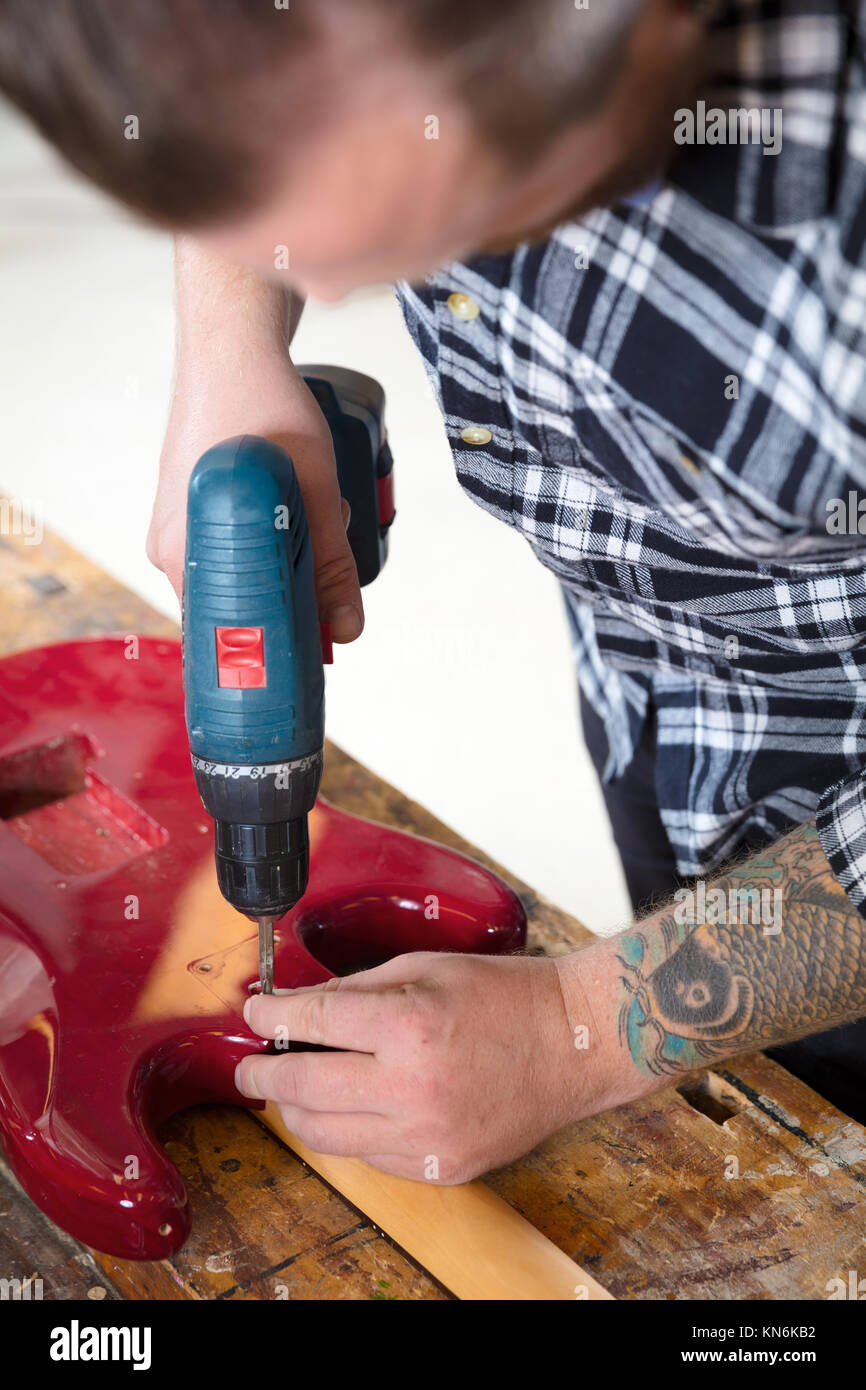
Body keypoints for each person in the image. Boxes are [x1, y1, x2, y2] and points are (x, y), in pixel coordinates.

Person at [2, 0, 866, 1184]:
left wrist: (583, 1027)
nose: (337, 287)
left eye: (410, 222)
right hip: (659, 718)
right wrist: (229, 339)